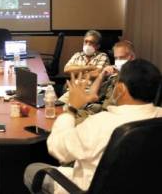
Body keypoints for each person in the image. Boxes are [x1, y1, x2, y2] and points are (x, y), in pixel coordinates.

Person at [24, 59, 162, 194]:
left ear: (121, 89)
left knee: (33, 170)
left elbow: (59, 149)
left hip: (87, 188)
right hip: (141, 185)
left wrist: (71, 107)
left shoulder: (101, 123)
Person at [74, 40, 136, 123]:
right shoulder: (114, 75)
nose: (118, 61)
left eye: (121, 57)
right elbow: (92, 95)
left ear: (132, 57)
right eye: (116, 58)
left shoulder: (134, 77)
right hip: (96, 112)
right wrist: (102, 75)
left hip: (107, 118)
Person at [58, 30, 110, 103]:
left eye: (91, 42)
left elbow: (97, 74)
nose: (87, 44)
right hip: (72, 90)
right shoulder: (77, 55)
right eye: (86, 41)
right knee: (57, 106)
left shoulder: (102, 56)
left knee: (64, 108)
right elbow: (66, 70)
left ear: (98, 46)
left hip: (88, 92)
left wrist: (76, 73)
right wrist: (89, 68)